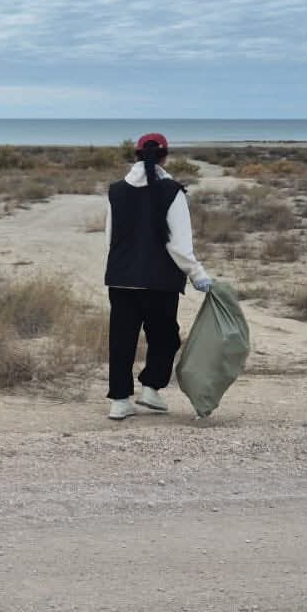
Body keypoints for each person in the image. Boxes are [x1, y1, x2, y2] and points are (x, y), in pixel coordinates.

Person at [104, 132, 213, 421]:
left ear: (136, 155)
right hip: (160, 282)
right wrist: (197, 274)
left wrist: (121, 266)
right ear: (165, 157)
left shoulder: (116, 191)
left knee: (122, 340)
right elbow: (178, 244)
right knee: (165, 338)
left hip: (121, 279)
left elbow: (110, 238)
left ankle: (119, 401)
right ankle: (151, 389)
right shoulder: (172, 192)